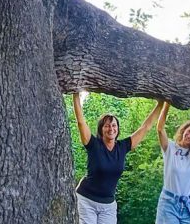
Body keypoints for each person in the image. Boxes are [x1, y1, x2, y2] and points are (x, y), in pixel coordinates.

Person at [71, 92, 165, 224]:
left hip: (108, 205)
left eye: (114, 125)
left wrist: (160, 104)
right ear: (101, 129)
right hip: (86, 200)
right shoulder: (93, 144)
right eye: (107, 125)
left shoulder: (123, 147)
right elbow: (81, 122)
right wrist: (76, 95)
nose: (111, 128)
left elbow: (145, 127)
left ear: (118, 129)